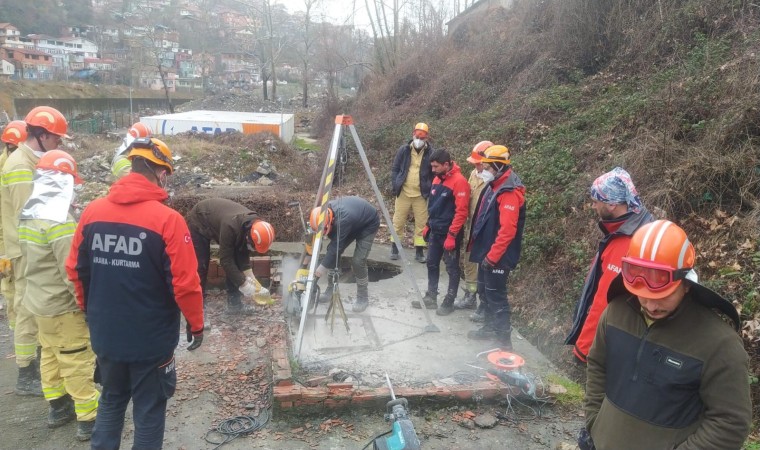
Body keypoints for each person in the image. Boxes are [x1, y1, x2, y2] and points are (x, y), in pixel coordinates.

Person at [66, 137, 204, 450]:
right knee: (149, 409)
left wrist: (90, 311)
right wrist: (196, 325)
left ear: (131, 167)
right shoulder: (168, 220)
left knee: (111, 401)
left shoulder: (92, 213)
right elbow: (185, 284)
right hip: (150, 340)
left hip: (106, 334)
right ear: (161, 173)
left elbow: (75, 269)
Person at [582, 220, 751, 450]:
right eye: (642, 294)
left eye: (663, 295)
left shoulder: (720, 344)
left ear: (686, 283)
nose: (651, 305)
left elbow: (730, 423)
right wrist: (595, 422)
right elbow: (597, 365)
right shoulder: (616, 313)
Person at [18, 150, 98, 441]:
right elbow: (72, 272)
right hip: (64, 309)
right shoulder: (60, 222)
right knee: (76, 359)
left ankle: (57, 406)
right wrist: (86, 306)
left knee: (50, 356)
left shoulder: (28, 215)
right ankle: (88, 418)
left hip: (38, 304)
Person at [2, 106, 70, 396]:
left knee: (31, 307)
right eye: (56, 139)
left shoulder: (28, 160)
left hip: (27, 246)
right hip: (23, 249)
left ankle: (39, 363)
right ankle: (26, 371)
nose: (59, 144)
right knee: (27, 309)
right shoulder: (20, 166)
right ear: (40, 135)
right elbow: (26, 213)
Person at [565, 167, 653, 363]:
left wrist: (584, 349)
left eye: (596, 202)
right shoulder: (630, 228)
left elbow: (603, 302)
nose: (594, 207)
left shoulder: (628, 242)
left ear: (612, 204)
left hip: (611, 344)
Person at [466, 145, 525, 349]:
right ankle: (490, 328)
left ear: (499, 167)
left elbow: (507, 230)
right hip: (487, 251)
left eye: (488, 167)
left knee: (496, 296)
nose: (484, 171)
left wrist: (492, 257)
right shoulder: (495, 185)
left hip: (498, 255)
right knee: (484, 291)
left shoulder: (509, 192)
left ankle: (504, 343)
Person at [185, 198, 275, 319]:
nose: (252, 249)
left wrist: (252, 279)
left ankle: (234, 305)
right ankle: (197, 308)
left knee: (236, 263)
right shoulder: (230, 226)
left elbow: (242, 255)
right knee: (201, 265)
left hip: (218, 220)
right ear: (250, 236)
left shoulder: (252, 225)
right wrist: (243, 283)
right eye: (253, 246)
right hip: (200, 219)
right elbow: (226, 261)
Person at [410, 149, 469, 315]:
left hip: (450, 233)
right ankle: (431, 296)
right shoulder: (437, 179)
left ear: (446, 164)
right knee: (431, 263)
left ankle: (449, 301)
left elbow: (461, 212)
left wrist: (452, 235)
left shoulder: (460, 182)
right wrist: (428, 224)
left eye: (436, 166)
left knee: (451, 267)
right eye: (432, 166)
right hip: (435, 230)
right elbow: (434, 206)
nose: (433, 169)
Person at [309, 196, 380, 313]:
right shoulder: (322, 215)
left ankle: (363, 297)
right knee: (332, 254)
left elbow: (335, 249)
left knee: (358, 261)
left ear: (330, 221)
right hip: (354, 221)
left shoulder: (342, 220)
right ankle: (330, 290)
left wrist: (318, 272)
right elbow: (329, 247)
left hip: (368, 224)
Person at [453, 141, 492, 320]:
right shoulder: (473, 174)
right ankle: (470, 295)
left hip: (486, 229)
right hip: (471, 225)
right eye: (475, 163)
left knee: (485, 265)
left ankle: (486, 304)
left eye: (479, 163)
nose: (477, 166)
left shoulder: (495, 181)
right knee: (468, 259)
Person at [390, 122, 433, 263]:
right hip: (403, 192)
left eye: (422, 136)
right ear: (413, 134)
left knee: (421, 224)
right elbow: (395, 168)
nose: (419, 139)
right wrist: (395, 183)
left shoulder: (431, 153)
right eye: (417, 135)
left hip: (421, 194)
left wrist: (430, 187)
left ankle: (419, 251)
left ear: (427, 137)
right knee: (398, 221)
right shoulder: (404, 150)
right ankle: (395, 247)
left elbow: (434, 173)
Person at [0, 120, 27, 321]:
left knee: (15, 292)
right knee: (17, 294)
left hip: (10, 242)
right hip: (12, 245)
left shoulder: (6, 165)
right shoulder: (16, 169)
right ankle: (24, 346)